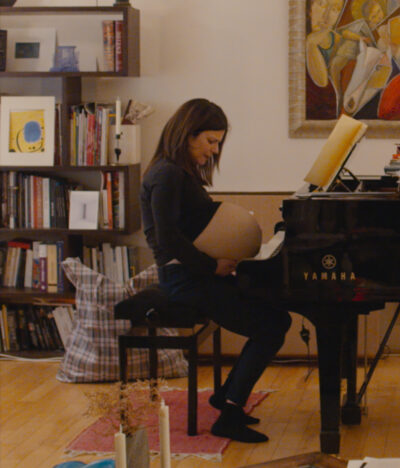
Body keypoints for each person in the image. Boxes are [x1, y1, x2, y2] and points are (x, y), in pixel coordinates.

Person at [140, 98, 292, 443]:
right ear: (187, 134)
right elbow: (167, 238)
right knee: (271, 326)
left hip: (197, 275)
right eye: (210, 140)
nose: (214, 150)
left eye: (218, 142)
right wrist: (213, 265)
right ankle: (229, 415)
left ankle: (227, 397)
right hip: (185, 281)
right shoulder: (167, 174)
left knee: (275, 319)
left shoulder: (177, 173)